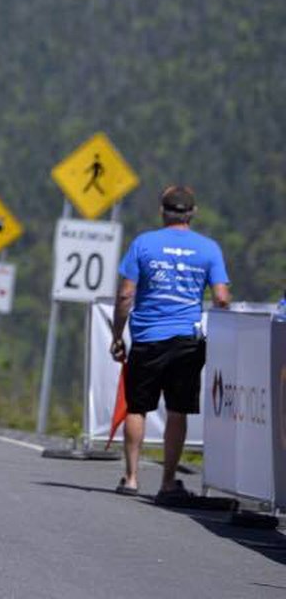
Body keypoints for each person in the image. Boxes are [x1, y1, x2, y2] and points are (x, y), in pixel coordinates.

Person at [110, 185, 230, 501]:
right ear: (192, 213)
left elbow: (125, 295)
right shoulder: (209, 249)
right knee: (177, 410)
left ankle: (132, 478)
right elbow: (220, 297)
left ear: (162, 211)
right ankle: (167, 483)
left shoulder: (143, 244)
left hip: (148, 338)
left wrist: (117, 335)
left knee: (138, 407)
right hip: (186, 342)